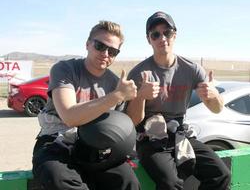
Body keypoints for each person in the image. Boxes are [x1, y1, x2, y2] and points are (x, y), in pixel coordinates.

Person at [126, 11, 231, 190]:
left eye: (167, 32)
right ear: (148, 39)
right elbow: (131, 121)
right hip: (149, 138)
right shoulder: (139, 73)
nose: (162, 38)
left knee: (221, 174)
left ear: (175, 35)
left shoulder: (191, 70)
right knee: (171, 183)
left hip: (181, 134)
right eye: (155, 34)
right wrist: (141, 96)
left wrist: (213, 96)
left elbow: (217, 109)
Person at [32, 20, 141, 190]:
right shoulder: (65, 69)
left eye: (112, 51)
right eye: (100, 46)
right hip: (57, 140)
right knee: (57, 177)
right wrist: (117, 96)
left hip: (94, 145)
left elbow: (123, 125)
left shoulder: (114, 82)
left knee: (127, 182)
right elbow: (69, 116)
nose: (106, 53)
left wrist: (140, 97)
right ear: (88, 44)